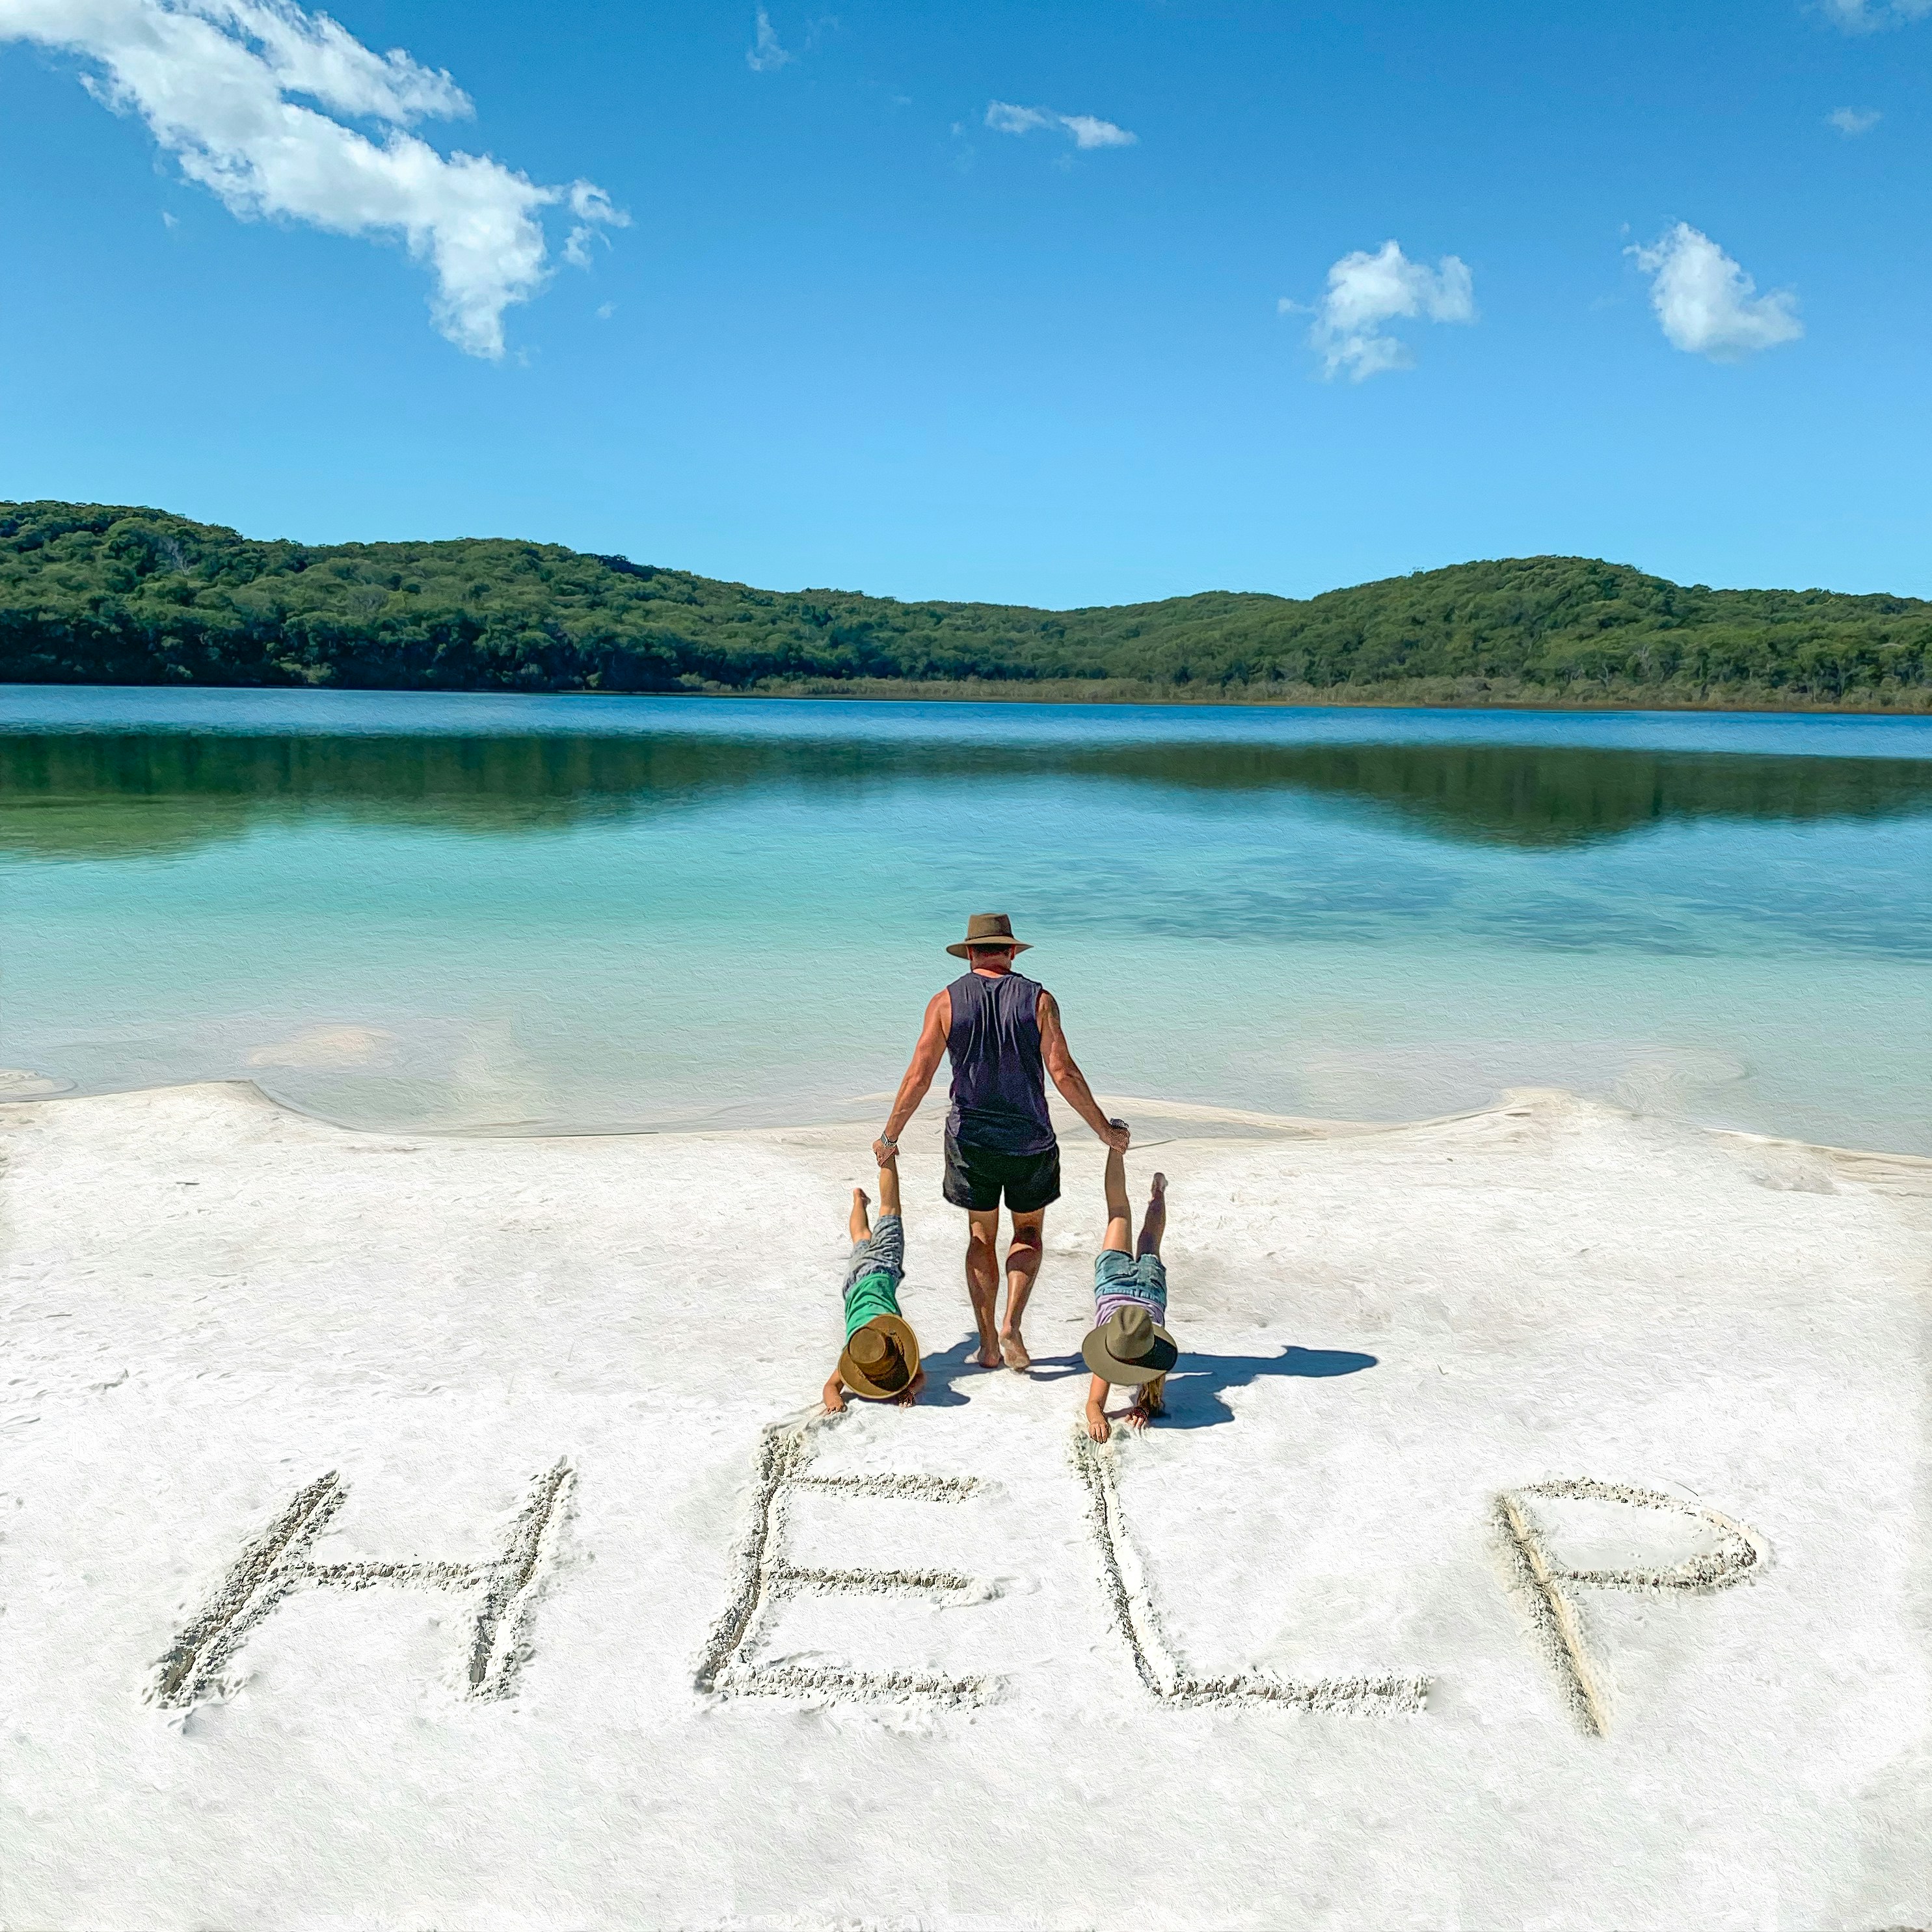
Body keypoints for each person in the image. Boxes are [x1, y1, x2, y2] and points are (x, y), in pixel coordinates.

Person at [874, 913, 1127, 1374]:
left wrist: (891, 1136)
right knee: (1027, 1234)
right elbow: (1063, 1072)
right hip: (1030, 1139)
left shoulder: (945, 1002)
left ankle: (988, 1343)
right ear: (1011, 951)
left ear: (970, 953)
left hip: (971, 1142)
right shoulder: (1040, 999)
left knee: (980, 1236)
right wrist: (1103, 1130)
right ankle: (1012, 1323)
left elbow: (919, 1076)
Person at [1080, 1129, 1177, 1442]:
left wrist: (1101, 1416)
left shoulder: (1120, 1342)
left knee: (1143, 1234)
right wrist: (1142, 1407)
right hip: (1117, 1286)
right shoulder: (1127, 1342)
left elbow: (1094, 1404)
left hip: (1147, 1290)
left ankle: (1148, 1183)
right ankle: (1128, 1161)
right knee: (1121, 1214)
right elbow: (1094, 1406)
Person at [822, 1149, 926, 1411]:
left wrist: (834, 1401)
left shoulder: (861, 1351)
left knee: (889, 1211)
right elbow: (830, 1388)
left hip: (879, 1272)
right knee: (862, 1236)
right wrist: (909, 1390)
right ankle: (864, 1191)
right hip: (854, 1281)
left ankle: (883, 1164)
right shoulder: (856, 1350)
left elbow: (830, 1387)